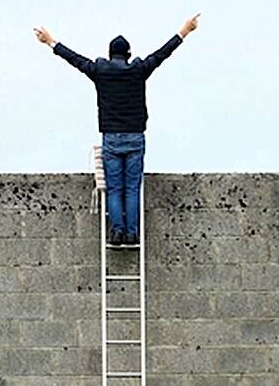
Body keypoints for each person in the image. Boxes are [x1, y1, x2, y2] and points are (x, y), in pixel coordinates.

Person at [34, 15, 201, 245]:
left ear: (111, 54)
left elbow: (74, 59)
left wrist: (51, 42)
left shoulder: (101, 71)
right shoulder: (139, 70)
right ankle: (132, 234)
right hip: (135, 137)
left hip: (111, 138)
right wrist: (184, 31)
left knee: (114, 189)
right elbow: (162, 53)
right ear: (128, 54)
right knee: (132, 189)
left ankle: (116, 232)